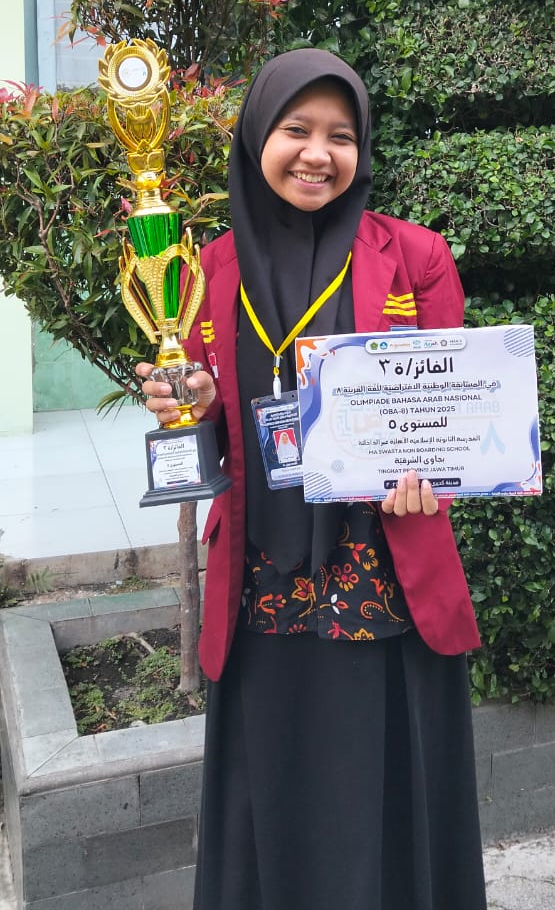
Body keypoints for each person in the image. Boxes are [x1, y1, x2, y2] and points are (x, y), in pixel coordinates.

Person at [138, 49, 487, 910]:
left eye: (341, 136)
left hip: (382, 575)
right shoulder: (208, 268)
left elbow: (453, 415)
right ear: (259, 134)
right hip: (264, 583)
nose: (318, 154)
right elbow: (217, 429)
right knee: (274, 786)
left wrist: (431, 475)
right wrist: (194, 404)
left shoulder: (414, 256)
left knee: (387, 785)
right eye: (297, 129)